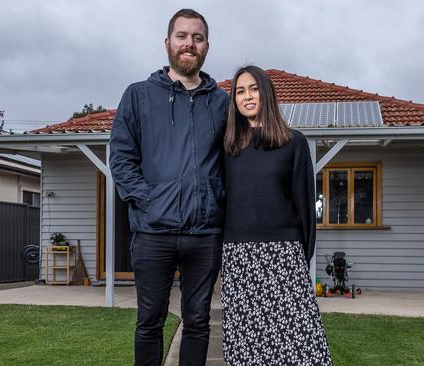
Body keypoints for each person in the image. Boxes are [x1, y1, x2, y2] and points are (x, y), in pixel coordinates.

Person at [109, 9, 229, 366]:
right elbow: (121, 159)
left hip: (205, 233)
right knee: (149, 322)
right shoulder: (138, 96)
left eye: (197, 37)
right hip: (152, 232)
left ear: (206, 46)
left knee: (197, 322)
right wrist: (149, 201)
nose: (189, 43)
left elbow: (236, 161)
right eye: (182, 36)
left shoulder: (223, 103)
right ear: (167, 43)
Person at [221, 65, 333, 365]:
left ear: (267, 93)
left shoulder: (292, 142)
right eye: (240, 91)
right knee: (247, 344)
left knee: (299, 343)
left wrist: (300, 257)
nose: (247, 97)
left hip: (284, 256)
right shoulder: (227, 146)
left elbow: (305, 205)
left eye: (254, 89)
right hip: (239, 256)